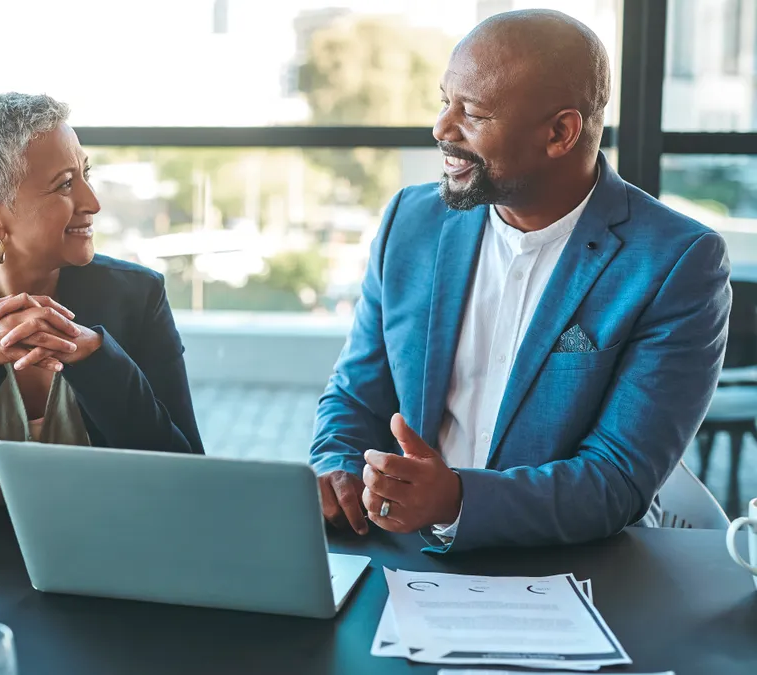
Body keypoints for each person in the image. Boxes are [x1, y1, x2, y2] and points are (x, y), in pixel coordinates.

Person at [311, 10, 731, 552]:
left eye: (474, 113)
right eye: (445, 101)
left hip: (576, 575)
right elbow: (354, 395)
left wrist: (457, 500)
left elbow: (618, 478)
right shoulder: (410, 222)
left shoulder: (677, 263)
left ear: (560, 133)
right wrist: (338, 468)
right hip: (403, 554)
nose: (442, 128)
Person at [0, 93, 204, 521]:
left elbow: (187, 476)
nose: (92, 202)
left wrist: (98, 358)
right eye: (65, 183)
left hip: (115, 552)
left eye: (86, 174)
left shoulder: (138, 296)